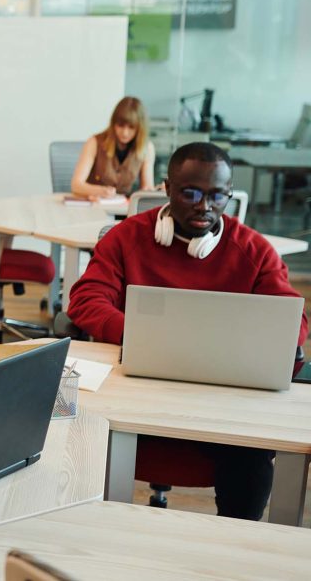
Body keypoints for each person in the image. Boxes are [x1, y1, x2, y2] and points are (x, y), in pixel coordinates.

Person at [67, 141, 308, 521]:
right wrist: (144, 336)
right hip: (137, 392)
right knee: (74, 434)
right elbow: (85, 299)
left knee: (253, 459)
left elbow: (293, 322)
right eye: (191, 192)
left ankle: (231, 550)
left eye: (217, 195)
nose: (204, 205)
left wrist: (250, 346)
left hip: (221, 403)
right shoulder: (127, 237)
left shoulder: (253, 250)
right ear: (167, 188)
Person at [71, 96, 157, 199]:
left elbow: (146, 188)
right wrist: (100, 191)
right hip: (95, 205)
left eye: (131, 127)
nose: (125, 133)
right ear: (113, 124)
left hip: (124, 209)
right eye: (121, 126)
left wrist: (154, 190)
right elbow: (76, 185)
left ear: (140, 128)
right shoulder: (94, 142)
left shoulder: (147, 148)